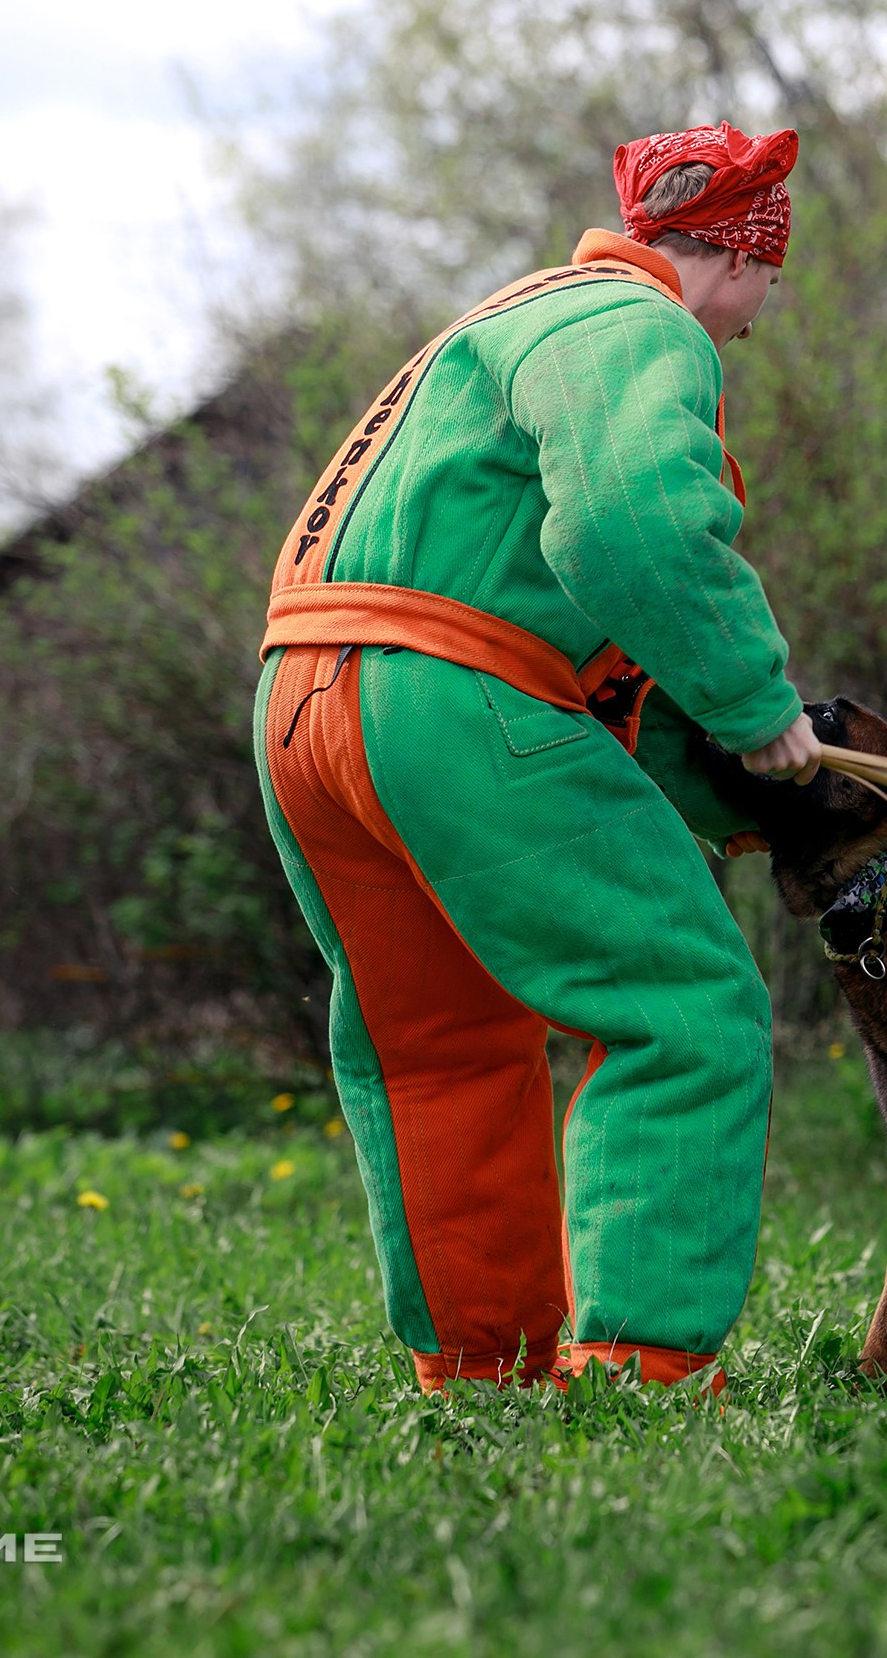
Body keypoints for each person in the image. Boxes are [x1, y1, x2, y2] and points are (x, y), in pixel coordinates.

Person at [252, 122, 822, 1394]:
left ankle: (479, 1365)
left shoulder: (515, 318)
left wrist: (722, 790)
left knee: (436, 1044)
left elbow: (572, 625)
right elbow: (629, 531)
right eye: (764, 294)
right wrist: (752, 701)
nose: (753, 324)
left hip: (305, 700)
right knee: (685, 1011)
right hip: (449, 698)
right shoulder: (641, 326)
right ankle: (642, 1359)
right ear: (730, 259)